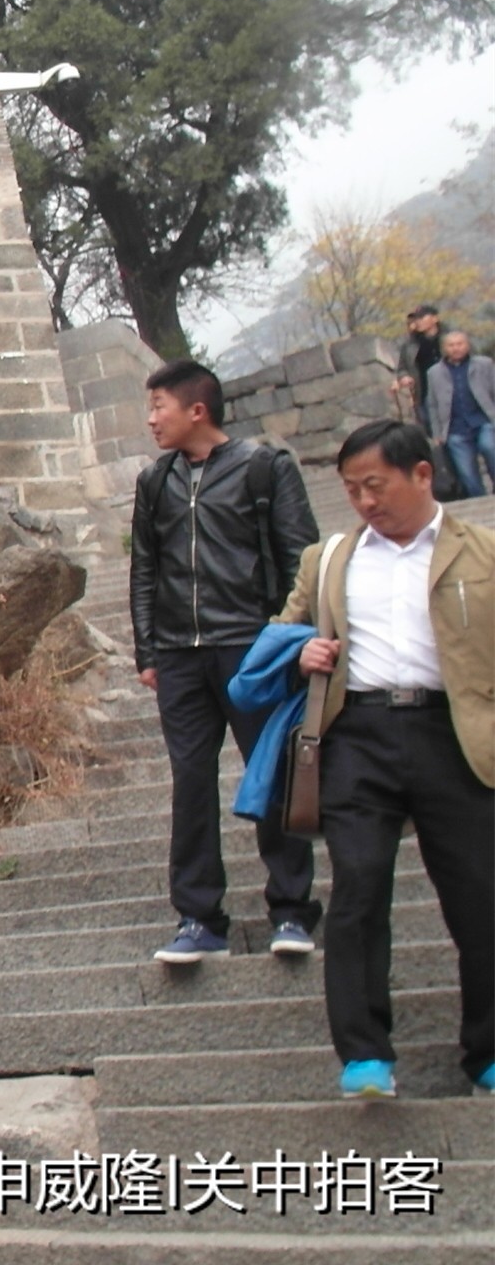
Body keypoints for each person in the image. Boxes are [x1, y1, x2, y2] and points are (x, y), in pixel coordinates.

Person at [284, 419, 495, 1099]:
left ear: (421, 475)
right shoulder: (330, 559)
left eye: (374, 486)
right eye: (352, 490)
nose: (364, 502)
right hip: (359, 735)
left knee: (480, 895)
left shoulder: (482, 552)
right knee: (358, 887)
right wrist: (300, 652)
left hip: (453, 733)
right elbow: (284, 631)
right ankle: (364, 1054)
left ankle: (487, 1051)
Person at [129, 359, 322, 964]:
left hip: (251, 649)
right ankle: (198, 918)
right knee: (190, 783)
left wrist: (291, 642)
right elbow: (144, 568)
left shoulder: (265, 468)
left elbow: (302, 562)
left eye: (158, 406)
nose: (151, 419)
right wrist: (147, 649)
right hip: (179, 655)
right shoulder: (154, 482)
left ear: (197, 410)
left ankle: (291, 910)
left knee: (272, 773)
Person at [425, 329, 495, 499]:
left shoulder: (484, 364)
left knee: (490, 447)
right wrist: (437, 433)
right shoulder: (434, 372)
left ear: (467, 345)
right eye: (451, 345)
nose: (456, 348)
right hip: (454, 427)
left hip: (483, 420)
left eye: (459, 344)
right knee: (467, 471)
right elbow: (432, 404)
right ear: (444, 348)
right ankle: (480, 501)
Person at [399, 305, 445, 415]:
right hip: (424, 394)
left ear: (435, 318)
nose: (418, 322)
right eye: (416, 319)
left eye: (422, 318)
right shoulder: (410, 344)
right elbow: (401, 368)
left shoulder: (451, 338)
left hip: (451, 392)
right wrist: (404, 377)